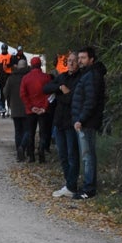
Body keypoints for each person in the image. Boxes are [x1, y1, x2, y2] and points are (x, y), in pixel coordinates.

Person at [43, 52, 81, 197]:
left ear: (78, 63)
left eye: (73, 61)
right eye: (69, 61)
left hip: (71, 121)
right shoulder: (63, 77)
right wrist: (60, 89)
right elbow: (46, 88)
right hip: (59, 121)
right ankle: (69, 183)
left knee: (72, 155)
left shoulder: (80, 78)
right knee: (62, 155)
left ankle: (72, 185)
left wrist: (61, 95)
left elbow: (72, 99)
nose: (70, 63)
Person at [71, 46, 107, 200]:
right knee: (87, 155)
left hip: (87, 122)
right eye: (79, 58)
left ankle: (88, 188)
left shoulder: (91, 76)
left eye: (83, 58)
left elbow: (90, 101)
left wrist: (81, 119)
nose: (80, 61)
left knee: (88, 156)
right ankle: (87, 185)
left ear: (91, 59)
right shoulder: (87, 74)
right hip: (85, 121)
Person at [19, 56, 52, 163]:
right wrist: (44, 107)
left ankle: (31, 156)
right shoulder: (47, 77)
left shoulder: (26, 78)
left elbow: (23, 94)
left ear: (31, 65)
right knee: (43, 132)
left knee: (30, 132)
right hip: (43, 110)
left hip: (31, 110)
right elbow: (50, 94)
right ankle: (41, 151)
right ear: (40, 65)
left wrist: (31, 106)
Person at [3, 59, 30, 161]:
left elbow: (5, 92)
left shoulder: (11, 78)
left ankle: (19, 152)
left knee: (18, 131)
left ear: (17, 67)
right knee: (27, 130)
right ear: (26, 66)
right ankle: (23, 147)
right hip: (27, 108)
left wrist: (9, 102)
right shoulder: (28, 76)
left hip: (15, 108)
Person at [0, 43, 12, 113]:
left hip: (8, 74)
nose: (4, 50)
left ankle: (9, 107)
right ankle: (2, 107)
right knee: (1, 91)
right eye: (3, 49)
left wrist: (7, 65)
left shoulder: (10, 56)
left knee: (9, 92)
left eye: (5, 49)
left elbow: (12, 63)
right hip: (1, 75)